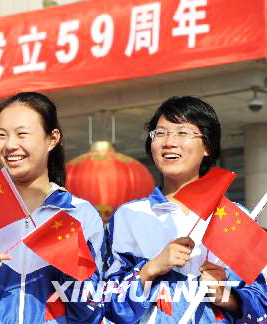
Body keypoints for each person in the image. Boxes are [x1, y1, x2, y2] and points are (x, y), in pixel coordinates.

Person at [0, 92, 114, 323]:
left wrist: (74, 271)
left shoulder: (78, 213)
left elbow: (93, 310)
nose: (10, 145)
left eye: (22, 134)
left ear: (52, 139)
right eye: (1, 135)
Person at [105, 96, 267, 323]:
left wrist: (226, 297)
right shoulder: (128, 217)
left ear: (208, 146)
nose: (169, 142)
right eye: (160, 133)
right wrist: (151, 269)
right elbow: (103, 302)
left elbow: (263, 303)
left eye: (182, 133)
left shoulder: (236, 218)